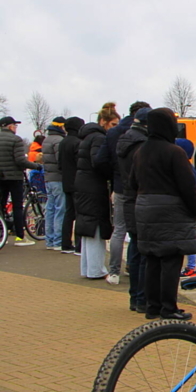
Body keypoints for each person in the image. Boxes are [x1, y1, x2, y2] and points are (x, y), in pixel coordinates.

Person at [131, 108, 196, 320]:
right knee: (171, 259)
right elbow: (188, 186)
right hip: (170, 211)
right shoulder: (174, 152)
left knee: (152, 258)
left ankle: (152, 307)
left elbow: (132, 183)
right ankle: (169, 308)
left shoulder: (140, 152)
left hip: (145, 208)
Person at [104, 101, 150, 285]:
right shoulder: (146, 136)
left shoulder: (114, 132)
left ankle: (114, 271)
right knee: (139, 232)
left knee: (120, 229)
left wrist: (115, 177)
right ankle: (134, 267)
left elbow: (101, 159)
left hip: (120, 186)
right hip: (141, 189)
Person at [76, 103, 120, 279]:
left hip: (84, 185)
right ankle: (96, 269)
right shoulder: (99, 138)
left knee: (88, 226)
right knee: (96, 226)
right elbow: (99, 162)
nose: (114, 129)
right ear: (104, 121)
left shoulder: (87, 137)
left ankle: (88, 268)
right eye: (113, 125)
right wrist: (112, 173)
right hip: (94, 186)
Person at [117, 107, 151, 312]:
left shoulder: (123, 140)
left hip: (128, 196)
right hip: (141, 198)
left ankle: (135, 298)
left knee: (135, 249)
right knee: (144, 251)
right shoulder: (143, 144)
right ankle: (142, 298)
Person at [0, 116, 44, 246]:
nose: (15, 128)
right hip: (14, 177)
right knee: (17, 206)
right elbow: (20, 160)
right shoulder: (16, 140)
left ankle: (3, 234)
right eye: (15, 125)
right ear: (10, 126)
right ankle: (20, 236)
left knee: (1, 205)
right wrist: (36, 165)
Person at [174, 125, 196, 279]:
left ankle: (191, 266)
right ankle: (191, 265)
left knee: (187, 238)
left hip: (184, 209)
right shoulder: (189, 168)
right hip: (186, 208)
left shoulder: (186, 169)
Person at [58, 117, 85, 254]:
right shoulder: (78, 143)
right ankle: (79, 246)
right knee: (80, 213)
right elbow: (80, 163)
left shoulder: (63, 142)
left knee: (68, 214)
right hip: (78, 182)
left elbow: (60, 165)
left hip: (66, 182)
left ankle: (65, 244)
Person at [41, 117, 67, 249]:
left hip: (48, 178)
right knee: (60, 210)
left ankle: (49, 240)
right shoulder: (59, 140)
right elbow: (60, 160)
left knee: (50, 209)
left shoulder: (47, 140)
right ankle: (58, 241)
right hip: (58, 178)